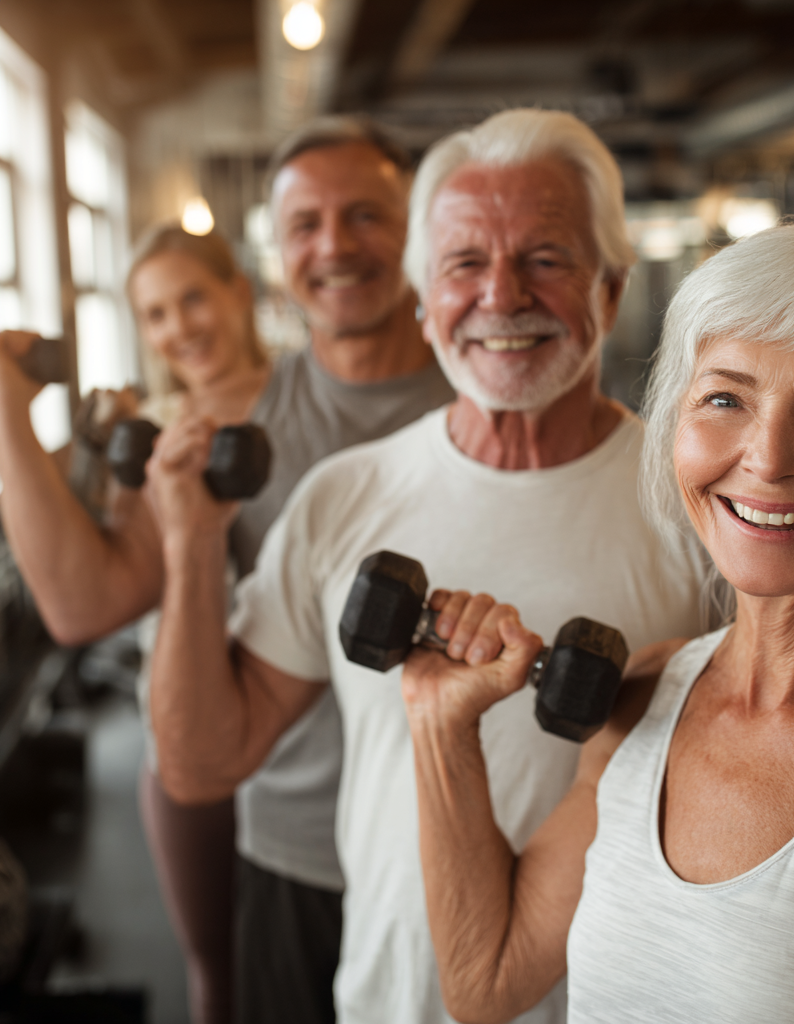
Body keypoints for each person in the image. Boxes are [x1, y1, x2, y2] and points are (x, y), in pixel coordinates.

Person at [144, 108, 708, 1023]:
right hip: (387, 997)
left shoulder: (700, 510)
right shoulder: (343, 495)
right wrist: (189, 540)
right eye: (463, 263)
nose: (501, 296)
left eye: (545, 259)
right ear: (422, 298)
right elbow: (201, 763)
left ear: (610, 289)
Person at [398, 220, 794, 1024]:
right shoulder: (643, 698)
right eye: (725, 398)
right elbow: (486, 981)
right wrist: (439, 725)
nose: (768, 458)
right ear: (674, 431)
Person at [0, 116, 455, 1024]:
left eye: (367, 214)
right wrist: (8, 413)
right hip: (294, 837)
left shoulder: (493, 403)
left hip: (467, 829)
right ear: (279, 254)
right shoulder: (227, 425)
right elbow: (84, 603)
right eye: (306, 224)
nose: (336, 245)